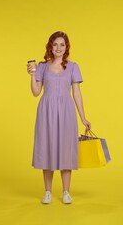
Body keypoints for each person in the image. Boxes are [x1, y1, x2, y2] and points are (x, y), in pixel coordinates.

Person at [27, 31, 91, 204]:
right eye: (55, 44)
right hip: (46, 111)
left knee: (66, 150)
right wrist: (32, 75)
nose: (58, 48)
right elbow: (35, 92)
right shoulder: (41, 66)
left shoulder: (73, 67)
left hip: (66, 111)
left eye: (62, 44)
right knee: (46, 148)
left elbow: (77, 93)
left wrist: (83, 117)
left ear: (66, 47)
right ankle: (47, 192)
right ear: (50, 46)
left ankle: (66, 192)